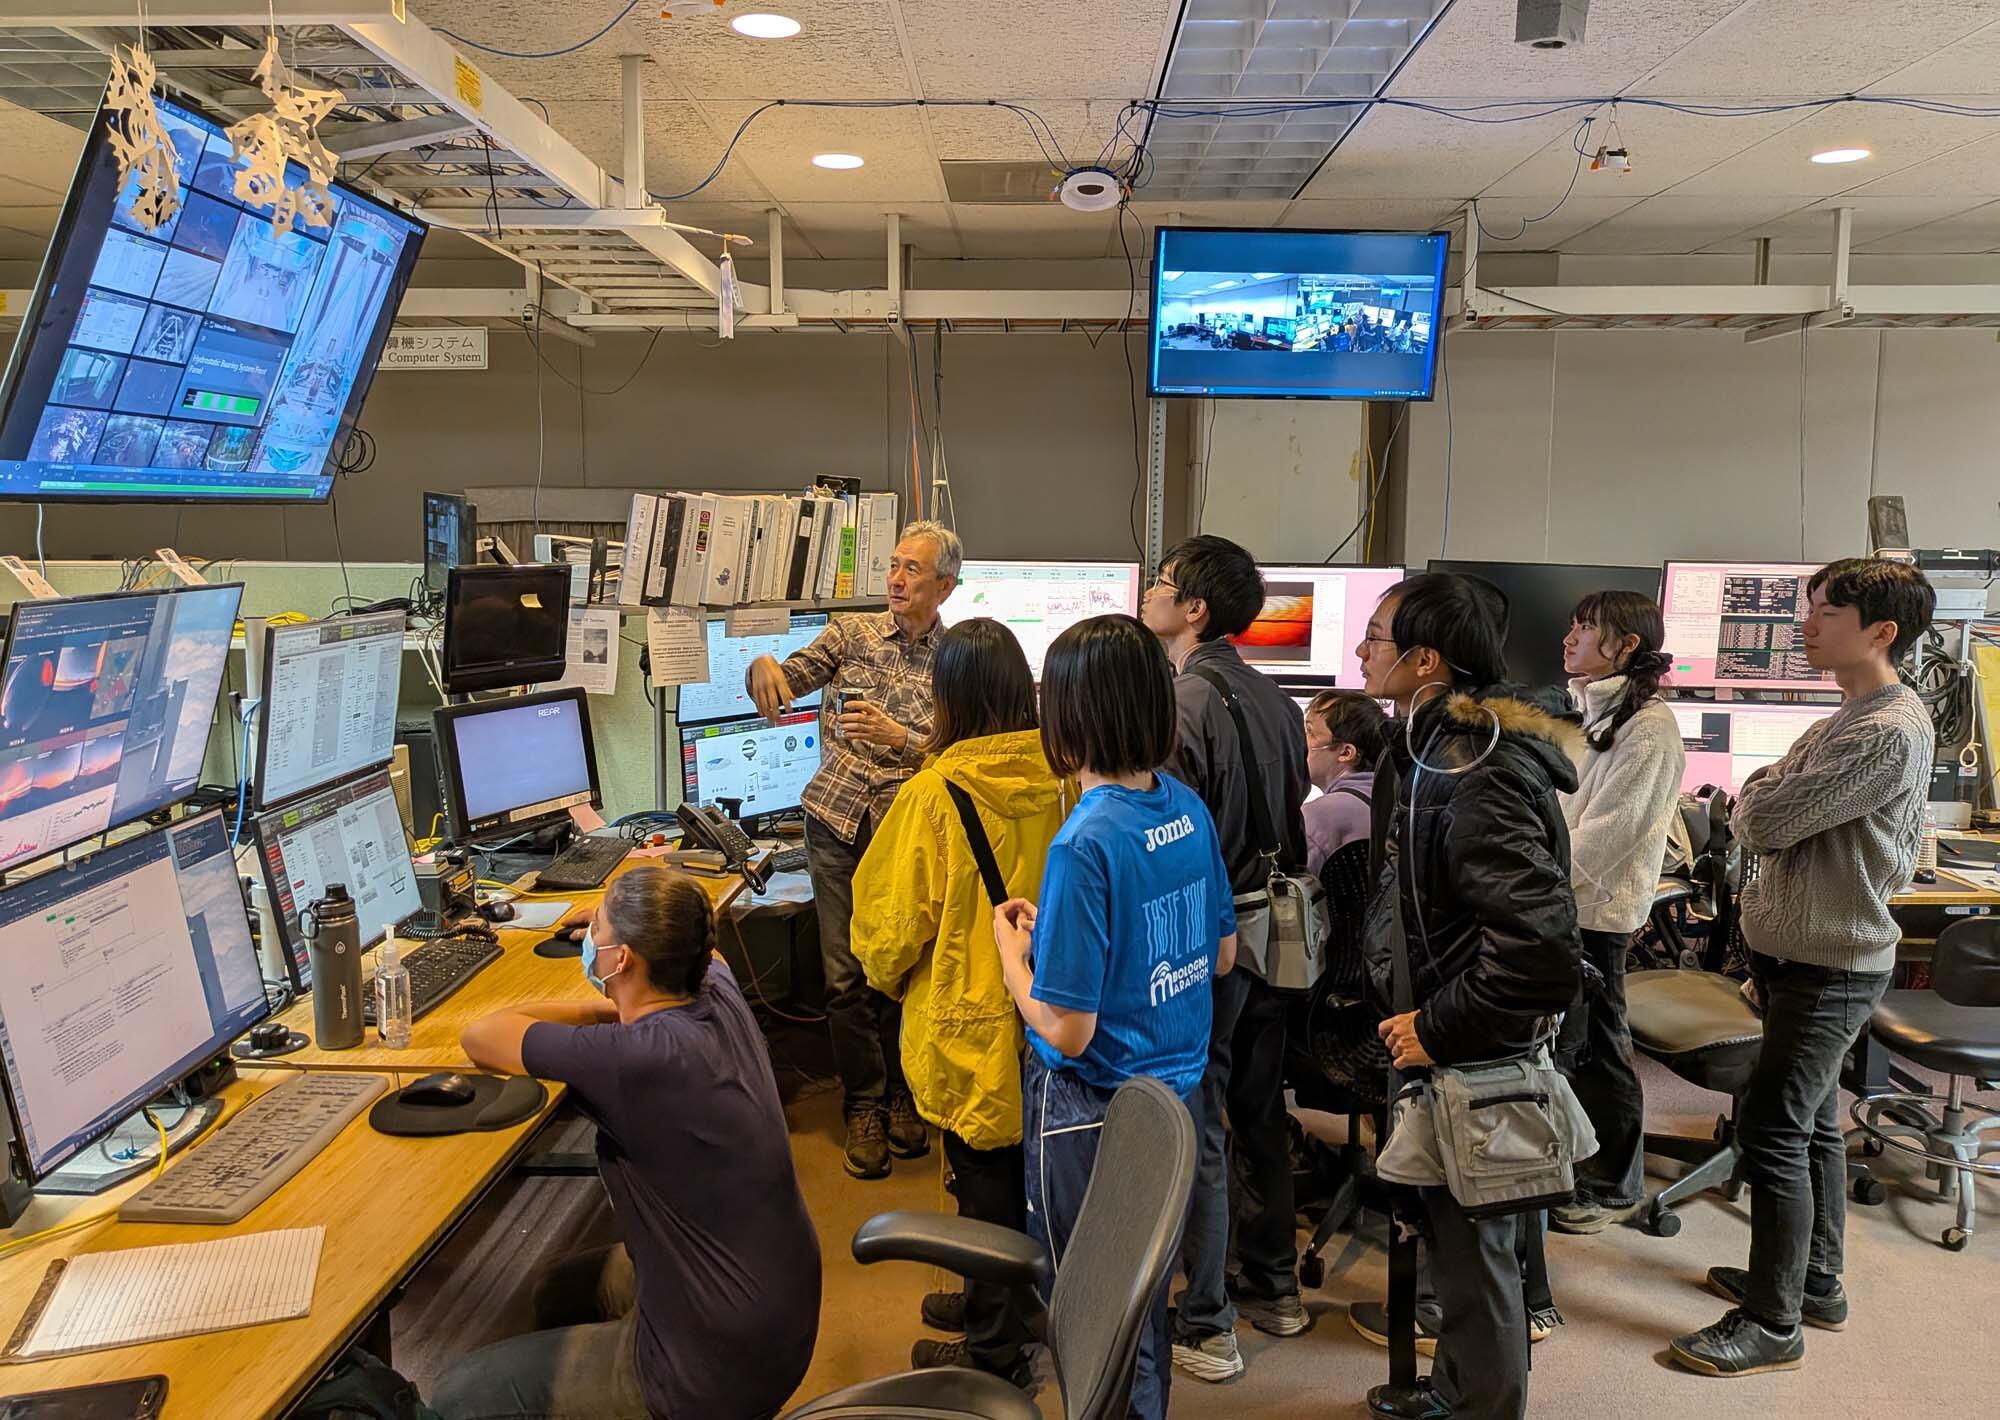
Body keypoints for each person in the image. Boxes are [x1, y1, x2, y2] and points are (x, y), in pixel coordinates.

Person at [1671, 558, 1935, 1379]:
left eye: (1823, 611)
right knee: (1814, 1122)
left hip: (1832, 965)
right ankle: (1814, 1281)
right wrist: (1765, 794)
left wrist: (1760, 795)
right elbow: (1771, 804)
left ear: (1880, 631)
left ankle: (1772, 1321)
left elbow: (1764, 818)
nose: (1805, 625)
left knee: (1774, 1130)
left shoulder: (1886, 729)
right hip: (1802, 956)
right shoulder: (1849, 714)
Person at [436, 867, 820, 1420]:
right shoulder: (716, 988)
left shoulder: (634, 1058)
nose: (592, 935)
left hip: (717, 1369)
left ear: (623, 959)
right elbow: (709, 950)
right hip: (779, 1307)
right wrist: (622, 991)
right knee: (553, 1290)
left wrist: (607, 1013)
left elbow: (483, 1035)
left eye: (600, 929)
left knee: (456, 1393)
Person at [992, 614, 1236, 1420]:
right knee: (1141, 1310)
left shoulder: (1083, 843)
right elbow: (1223, 954)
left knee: (1095, 1324)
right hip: (1175, 1105)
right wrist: (1059, 946)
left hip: (1095, 1115)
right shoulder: (1186, 807)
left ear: (1067, 718)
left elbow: (1067, 1030)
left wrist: (1014, 963)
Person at [1356, 573, 1583, 1420]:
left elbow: (1538, 953)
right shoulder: (1430, 748)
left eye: (1375, 637)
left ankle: (1482, 1403)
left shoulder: (1474, 769)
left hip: (1468, 1050)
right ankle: (1451, 1391)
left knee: (1480, 1257)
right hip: (1441, 1041)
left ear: (1426, 661)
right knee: (1457, 1249)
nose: (1360, 652)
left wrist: (1437, 1029)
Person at [850, 618, 1067, 1386]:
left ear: (947, 696)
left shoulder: (932, 796)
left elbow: (882, 935)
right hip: (1054, 1017)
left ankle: (992, 1350)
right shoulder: (1068, 777)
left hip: (971, 1022)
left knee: (982, 1186)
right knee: (1037, 1180)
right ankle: (1010, 1301)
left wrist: (890, 974)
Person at [1138, 535, 1311, 1382]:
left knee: (1202, 1125)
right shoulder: (1279, 704)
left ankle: (1206, 1324)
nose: (1149, 592)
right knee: (1262, 1110)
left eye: (1162, 583)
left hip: (1211, 942)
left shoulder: (1182, 704)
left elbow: (1174, 847)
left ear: (1194, 609)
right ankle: (1275, 1287)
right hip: (1276, 936)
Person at [746, 519, 962, 1179]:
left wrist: (902, 739)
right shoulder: (851, 632)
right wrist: (762, 667)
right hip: (836, 821)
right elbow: (784, 680)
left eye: (913, 570)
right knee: (844, 978)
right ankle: (864, 1105)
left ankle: (904, 1097)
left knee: (902, 972)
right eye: (893, 566)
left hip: (907, 831)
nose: (896, 580)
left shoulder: (957, 661)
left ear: (945, 586)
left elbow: (958, 756)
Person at [1550, 590, 1686, 1235]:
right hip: (1560, 897)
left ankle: (1613, 1181)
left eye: (1586, 629)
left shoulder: (1651, 728)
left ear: (1625, 644)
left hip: (1597, 907)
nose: (1570, 638)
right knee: (1570, 1040)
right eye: (1573, 626)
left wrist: (1537, 879)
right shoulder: (1584, 708)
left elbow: (1611, 833)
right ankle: (1572, 1161)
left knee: (1601, 1042)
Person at [1303, 689, 1388, 876]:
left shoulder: (1321, 815)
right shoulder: (1389, 800)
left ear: (1345, 753)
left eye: (1310, 732)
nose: (1300, 740)